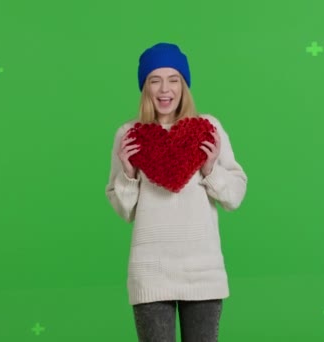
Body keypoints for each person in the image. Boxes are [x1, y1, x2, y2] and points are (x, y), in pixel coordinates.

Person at [105, 42, 248, 342]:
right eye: (154, 80)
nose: (164, 89)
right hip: (151, 271)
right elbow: (124, 211)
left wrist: (210, 169)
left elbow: (234, 196)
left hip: (203, 270)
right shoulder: (128, 135)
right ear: (145, 87)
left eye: (173, 80)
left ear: (184, 85)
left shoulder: (209, 128)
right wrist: (129, 174)